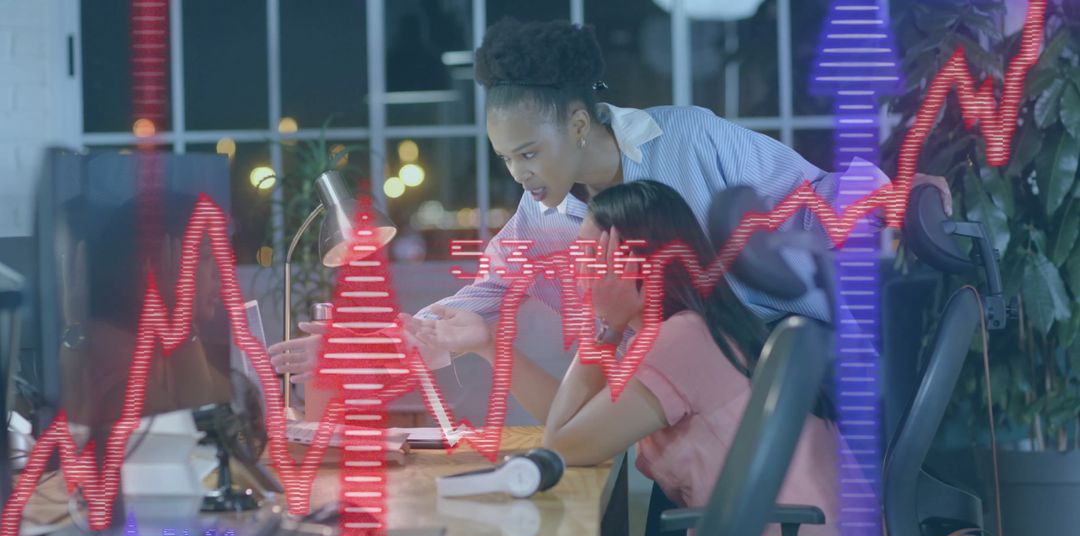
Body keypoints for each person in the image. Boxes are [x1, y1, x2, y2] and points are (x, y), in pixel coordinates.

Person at [269, 17, 950, 378]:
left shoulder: (689, 139)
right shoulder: (544, 218)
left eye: (528, 153)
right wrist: (377, 340)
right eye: (506, 160)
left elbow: (818, 194)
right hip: (694, 386)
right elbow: (478, 295)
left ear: (576, 124)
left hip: (798, 357)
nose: (519, 175)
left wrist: (900, 200)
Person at [407, 180, 867, 536]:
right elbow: (576, 424)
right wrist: (489, 346)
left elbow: (564, 444)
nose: (577, 272)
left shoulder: (683, 339)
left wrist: (603, 326)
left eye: (591, 257)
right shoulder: (674, 329)